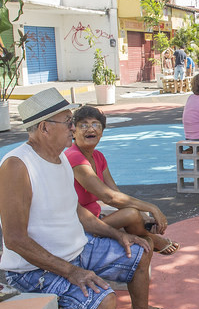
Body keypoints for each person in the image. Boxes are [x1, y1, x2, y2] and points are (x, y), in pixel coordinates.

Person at [0, 88, 184, 309]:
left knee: (138, 253)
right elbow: (15, 240)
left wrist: (117, 235)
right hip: (34, 268)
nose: (73, 128)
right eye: (68, 122)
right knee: (103, 300)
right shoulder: (17, 166)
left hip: (78, 250)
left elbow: (78, 214)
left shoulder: (59, 160)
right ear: (43, 127)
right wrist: (70, 271)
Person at [66, 105, 179, 257]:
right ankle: (152, 238)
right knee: (131, 214)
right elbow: (109, 197)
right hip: (80, 224)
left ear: (102, 132)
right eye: (83, 125)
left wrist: (144, 215)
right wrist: (152, 208)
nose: (90, 129)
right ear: (74, 132)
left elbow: (115, 193)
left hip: (95, 216)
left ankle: (148, 234)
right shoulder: (74, 157)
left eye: (95, 125)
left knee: (135, 214)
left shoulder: (98, 156)